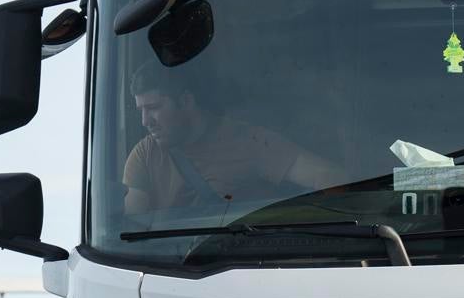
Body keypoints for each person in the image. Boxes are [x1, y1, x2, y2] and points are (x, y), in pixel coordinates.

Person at [121, 63, 343, 213]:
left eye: (154, 108)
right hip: (170, 266)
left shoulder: (247, 141)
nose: (145, 121)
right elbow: (133, 227)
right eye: (141, 110)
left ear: (186, 101)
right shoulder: (144, 155)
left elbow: (329, 176)